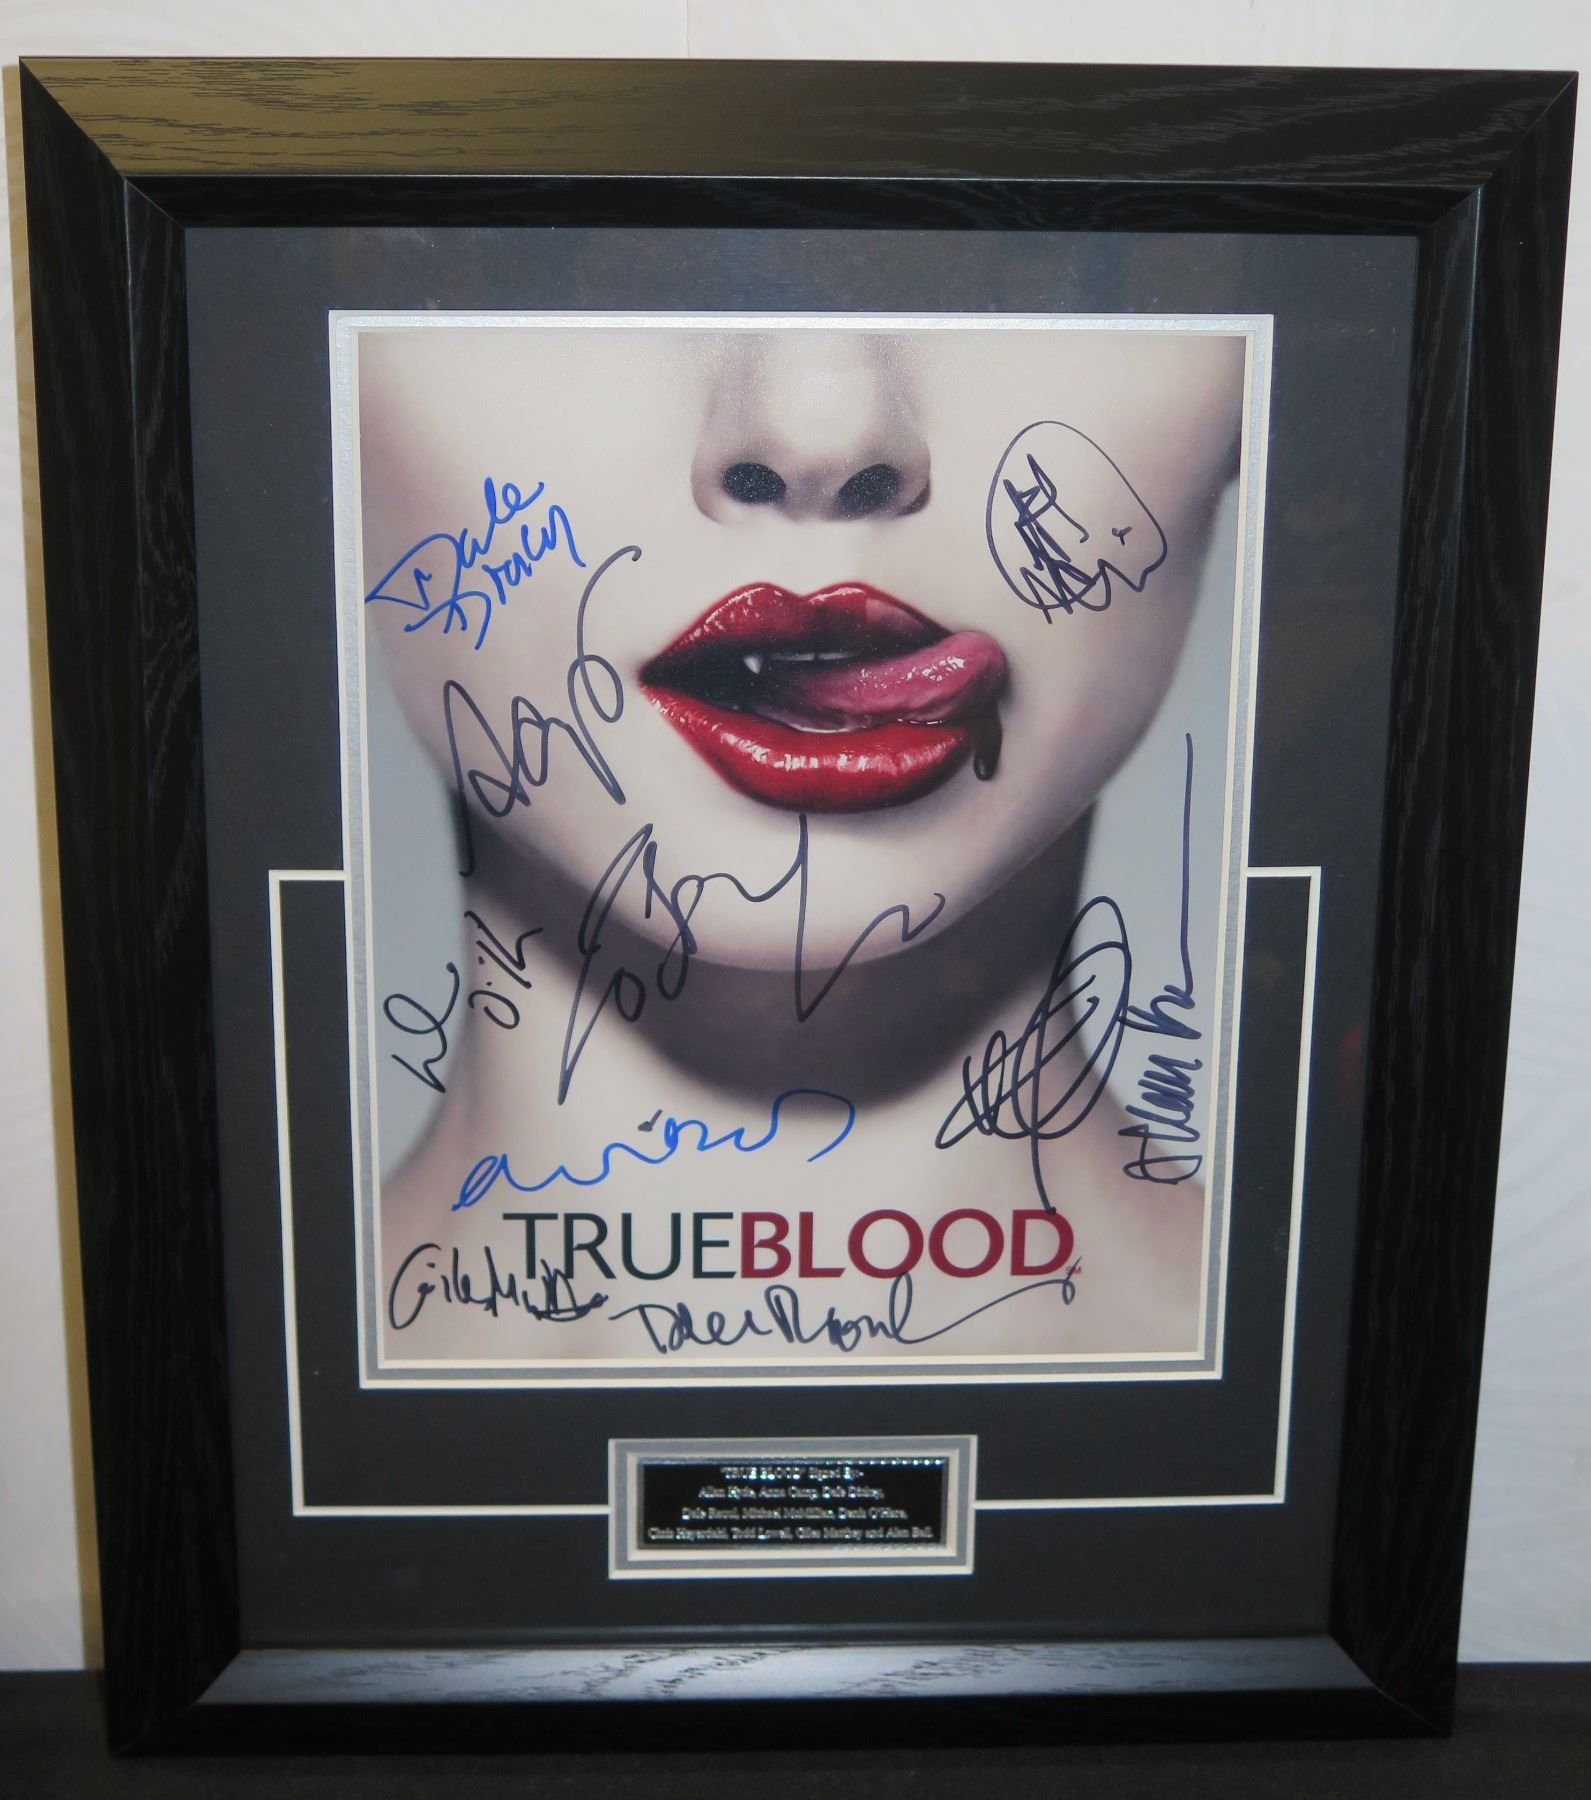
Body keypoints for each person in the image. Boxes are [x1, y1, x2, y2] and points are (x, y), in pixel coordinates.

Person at [354, 318, 1247, 1369]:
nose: (822, 433)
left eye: (1041, 271)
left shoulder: (1336, 1402)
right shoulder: (246, 1409)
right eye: (585, 261)